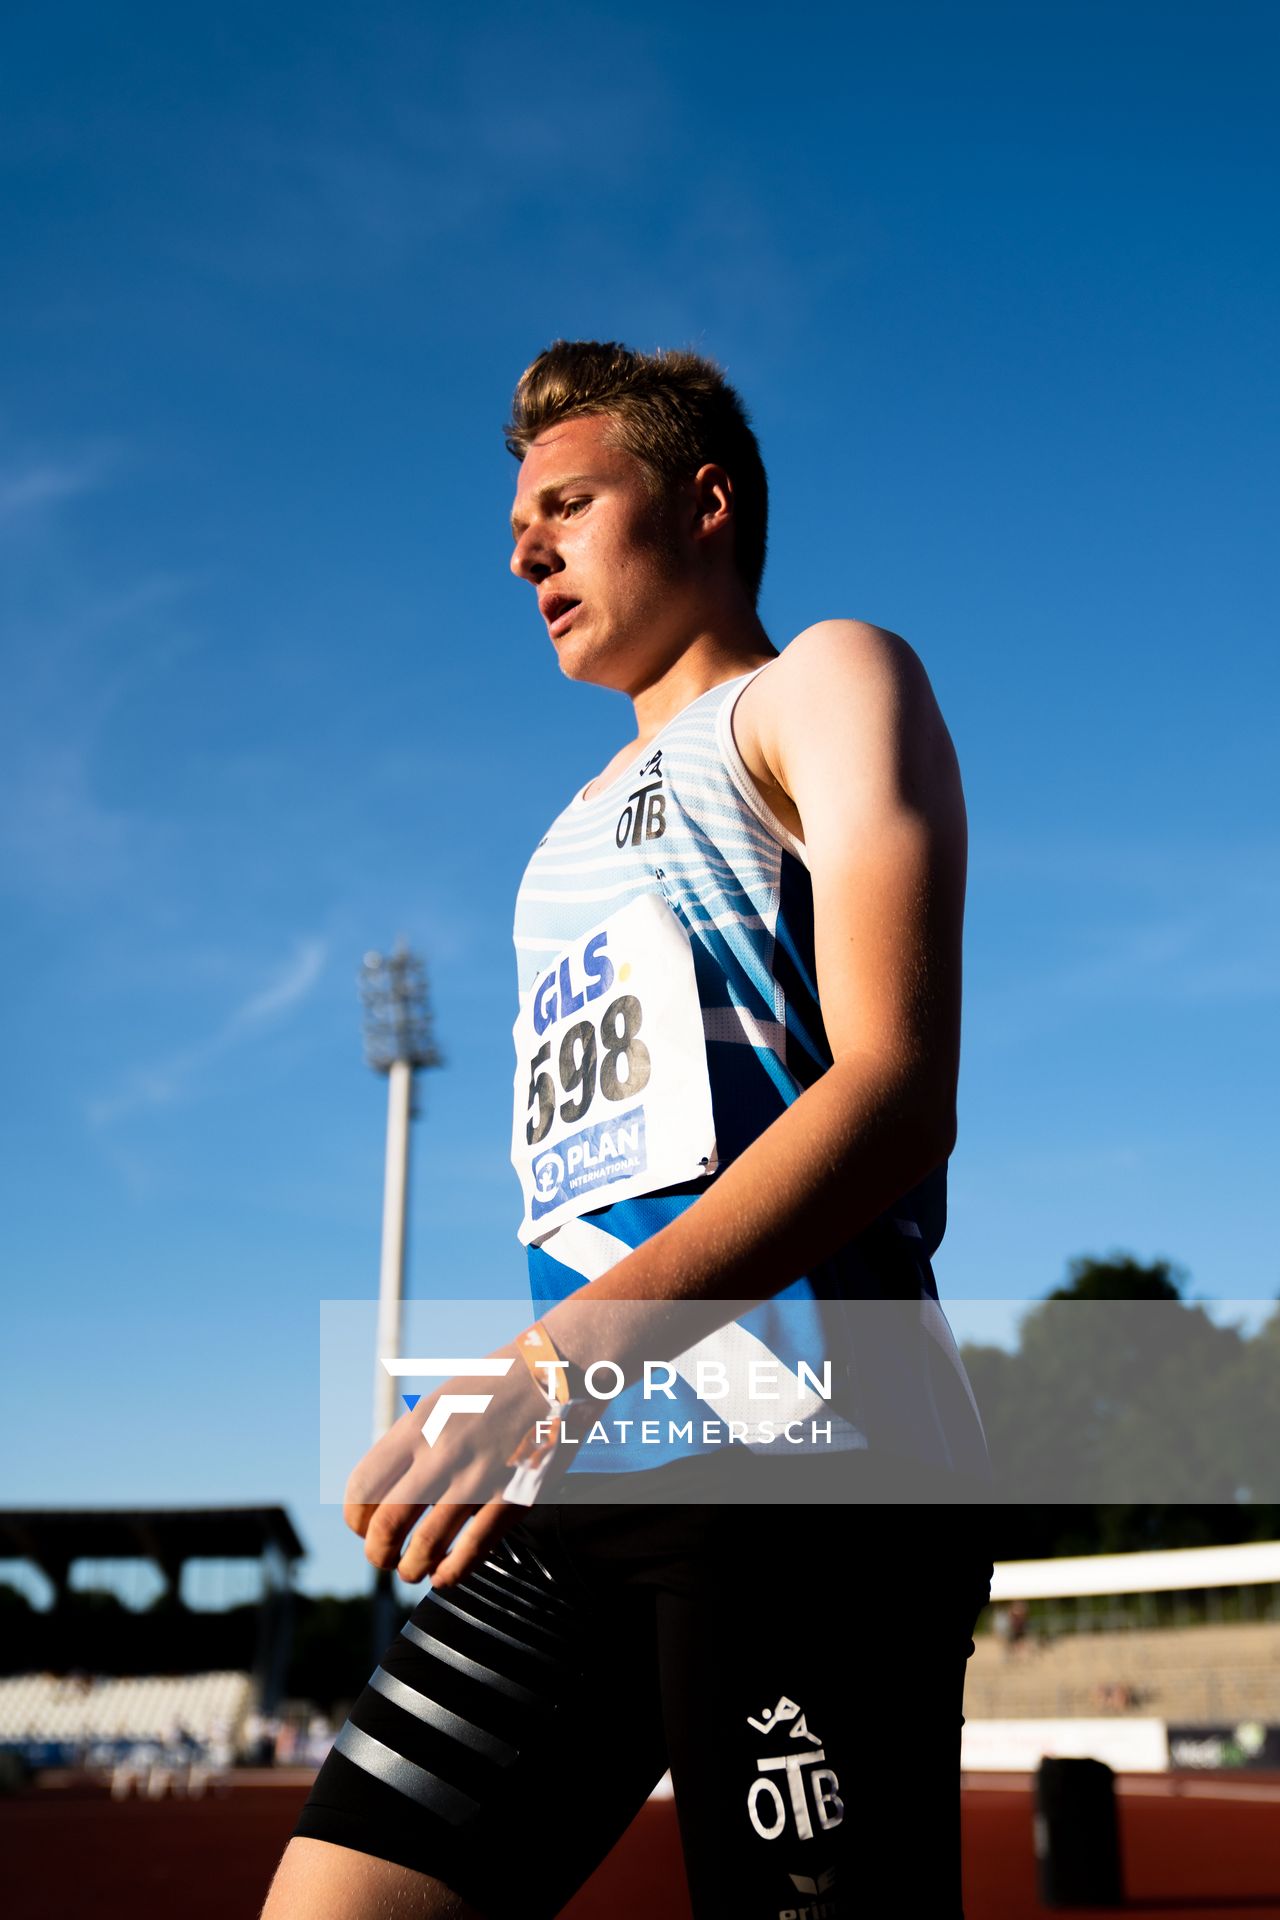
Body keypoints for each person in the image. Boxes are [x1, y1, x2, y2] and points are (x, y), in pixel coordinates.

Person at [262, 340, 996, 1919]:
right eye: (520, 523)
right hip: (596, 1470)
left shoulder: (825, 684)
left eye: (568, 505)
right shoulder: (560, 837)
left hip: (808, 1460)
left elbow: (894, 1095)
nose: (523, 552)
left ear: (707, 503)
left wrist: (547, 1369)